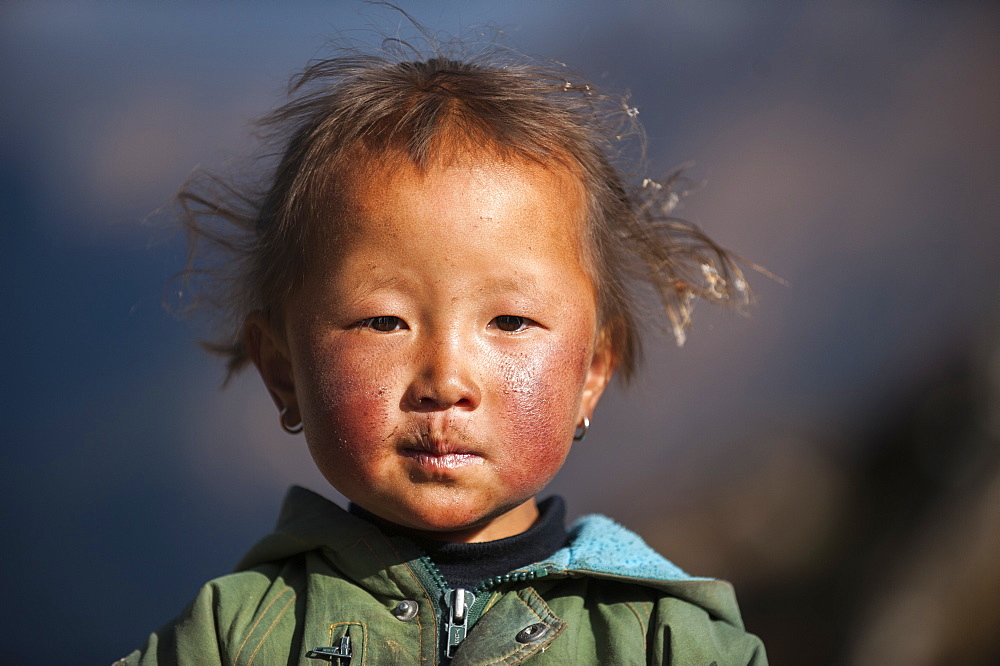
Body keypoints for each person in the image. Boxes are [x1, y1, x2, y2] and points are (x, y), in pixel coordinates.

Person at [118, 28, 767, 666]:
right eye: (383, 321)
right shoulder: (237, 636)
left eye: (510, 321)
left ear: (593, 370)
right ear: (283, 370)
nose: (444, 380)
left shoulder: (663, 641)